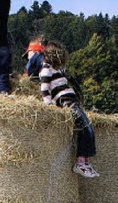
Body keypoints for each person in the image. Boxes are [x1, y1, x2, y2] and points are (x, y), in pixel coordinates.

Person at [40, 41, 99, 179]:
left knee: (88, 128)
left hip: (72, 101)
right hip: (65, 102)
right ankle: (80, 163)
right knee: (85, 127)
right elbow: (44, 90)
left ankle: (85, 161)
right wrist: (50, 106)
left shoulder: (59, 70)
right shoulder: (46, 69)